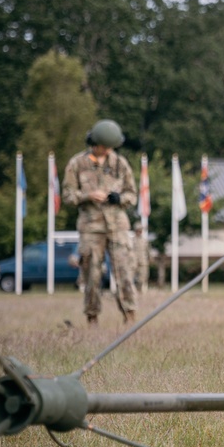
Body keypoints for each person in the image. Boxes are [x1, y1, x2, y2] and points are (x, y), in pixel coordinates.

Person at [62, 119, 138, 325]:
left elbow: (132, 195)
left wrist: (119, 198)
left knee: (124, 272)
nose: (107, 151)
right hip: (90, 228)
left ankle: (129, 316)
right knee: (91, 275)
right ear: (95, 144)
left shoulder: (120, 164)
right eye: (104, 147)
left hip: (117, 227)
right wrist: (87, 195)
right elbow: (67, 195)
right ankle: (92, 317)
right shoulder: (77, 164)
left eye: (110, 147)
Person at [133, 223, 151, 293]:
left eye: (140, 230)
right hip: (133, 262)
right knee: (129, 277)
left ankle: (139, 290)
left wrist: (149, 258)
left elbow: (148, 251)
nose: (139, 232)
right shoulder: (131, 240)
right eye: (138, 230)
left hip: (143, 262)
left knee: (142, 277)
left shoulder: (144, 241)